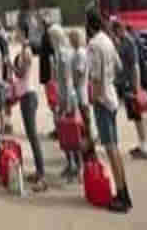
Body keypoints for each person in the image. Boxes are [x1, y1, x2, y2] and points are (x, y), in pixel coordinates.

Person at [87, 10, 131, 212]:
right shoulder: (108, 41)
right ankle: (124, 193)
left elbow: (95, 77)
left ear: (89, 26)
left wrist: (93, 100)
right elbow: (120, 67)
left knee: (111, 150)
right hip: (112, 98)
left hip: (103, 102)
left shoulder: (94, 45)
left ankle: (121, 198)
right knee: (115, 150)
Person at [12, 23, 47, 191]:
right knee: (30, 135)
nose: (15, 34)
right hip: (25, 95)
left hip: (28, 96)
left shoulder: (26, 51)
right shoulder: (24, 50)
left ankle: (42, 174)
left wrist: (10, 65)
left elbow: (21, 73)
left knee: (33, 136)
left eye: (17, 31)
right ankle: (39, 171)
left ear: (22, 33)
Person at [112, 19, 147, 160]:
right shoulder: (121, 41)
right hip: (121, 83)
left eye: (115, 31)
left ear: (119, 29)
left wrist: (137, 88)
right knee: (118, 111)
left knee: (136, 115)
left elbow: (135, 66)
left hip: (129, 85)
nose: (114, 34)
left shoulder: (129, 42)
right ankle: (141, 145)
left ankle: (144, 147)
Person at [49, 24, 81, 179]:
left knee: (66, 132)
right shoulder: (67, 51)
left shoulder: (61, 54)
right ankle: (75, 165)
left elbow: (67, 79)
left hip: (66, 97)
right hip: (69, 96)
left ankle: (72, 164)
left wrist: (65, 104)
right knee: (72, 132)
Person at [71, 28, 93, 146]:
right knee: (84, 116)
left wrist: (72, 82)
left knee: (85, 116)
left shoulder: (80, 53)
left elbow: (79, 71)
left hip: (80, 89)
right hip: (81, 88)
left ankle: (89, 140)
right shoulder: (80, 51)